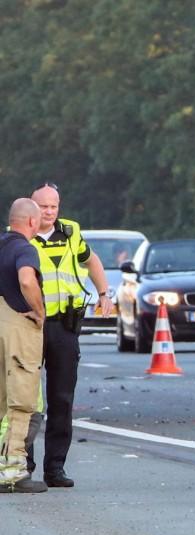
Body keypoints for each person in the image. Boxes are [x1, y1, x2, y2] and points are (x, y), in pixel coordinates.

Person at [28, 183, 114, 488]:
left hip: (64, 326)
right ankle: (23, 464)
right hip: (30, 326)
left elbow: (91, 261)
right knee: (26, 399)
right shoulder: (20, 236)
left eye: (54, 206)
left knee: (62, 399)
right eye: (43, 207)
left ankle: (55, 468)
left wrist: (104, 292)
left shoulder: (70, 233)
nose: (49, 212)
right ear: (31, 208)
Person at [0, 199, 48, 493]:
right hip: (18, 325)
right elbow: (27, 280)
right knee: (22, 399)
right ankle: (13, 471)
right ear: (31, 222)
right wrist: (39, 311)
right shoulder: (25, 249)